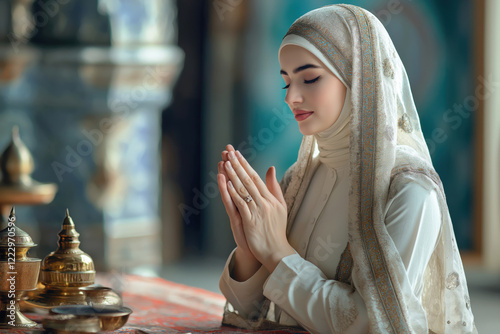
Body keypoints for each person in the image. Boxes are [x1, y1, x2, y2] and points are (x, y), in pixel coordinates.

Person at [216, 4, 476, 334]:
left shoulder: (408, 190)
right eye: (286, 83)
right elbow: (251, 314)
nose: (292, 97)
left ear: (359, 78)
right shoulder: (297, 179)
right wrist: (250, 250)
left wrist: (278, 253)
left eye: (309, 78)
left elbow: (375, 325)